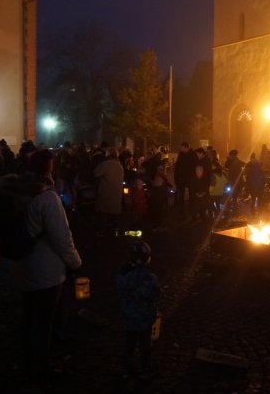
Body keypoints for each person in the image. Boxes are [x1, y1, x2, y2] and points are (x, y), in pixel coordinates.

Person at [6, 149, 83, 384]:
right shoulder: (47, 198)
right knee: (43, 322)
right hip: (46, 271)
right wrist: (75, 262)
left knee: (27, 318)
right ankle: (40, 369)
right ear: (49, 169)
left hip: (21, 265)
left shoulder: (14, 192)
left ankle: (26, 363)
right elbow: (61, 237)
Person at [116, 241, 162, 379]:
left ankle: (126, 369)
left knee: (128, 343)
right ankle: (145, 370)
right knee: (144, 345)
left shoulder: (122, 275)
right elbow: (157, 294)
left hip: (128, 318)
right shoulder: (149, 278)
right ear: (148, 258)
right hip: (143, 319)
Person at [94, 147, 125, 236]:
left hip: (106, 192)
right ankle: (115, 231)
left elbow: (95, 173)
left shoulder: (106, 164)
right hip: (117, 192)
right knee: (115, 213)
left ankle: (102, 231)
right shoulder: (119, 165)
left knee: (104, 212)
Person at [174, 142, 197, 209]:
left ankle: (191, 205)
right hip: (182, 176)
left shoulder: (193, 154)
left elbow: (195, 165)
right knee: (181, 191)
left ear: (186, 147)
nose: (181, 149)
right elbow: (178, 164)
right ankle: (181, 205)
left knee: (191, 192)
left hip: (190, 177)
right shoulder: (181, 154)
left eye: (182, 148)